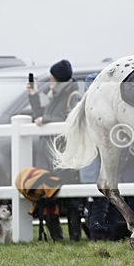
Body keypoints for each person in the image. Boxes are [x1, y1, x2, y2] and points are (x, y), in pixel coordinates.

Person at [26, 59, 82, 241]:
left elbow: (71, 120)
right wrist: (33, 96)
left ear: (58, 78)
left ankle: (74, 237)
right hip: (51, 155)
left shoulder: (72, 96)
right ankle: (57, 237)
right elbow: (40, 116)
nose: (50, 79)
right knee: (49, 196)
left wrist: (47, 119)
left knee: (71, 199)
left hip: (64, 155)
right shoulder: (56, 94)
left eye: (52, 76)